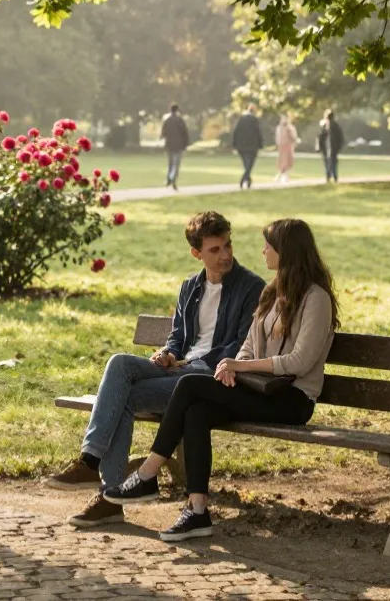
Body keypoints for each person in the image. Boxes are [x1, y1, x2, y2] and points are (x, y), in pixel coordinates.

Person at [104, 218, 338, 542]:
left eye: (268, 245)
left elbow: (299, 362)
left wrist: (240, 367)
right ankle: (197, 510)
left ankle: (147, 474)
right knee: (196, 411)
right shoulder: (273, 292)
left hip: (292, 400)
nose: (262, 250)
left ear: (286, 251)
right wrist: (235, 365)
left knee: (189, 386)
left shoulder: (316, 299)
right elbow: (247, 346)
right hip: (259, 390)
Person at [46, 211, 264, 529]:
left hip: (207, 379)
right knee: (119, 363)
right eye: (215, 250)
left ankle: (107, 496)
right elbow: (178, 337)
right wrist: (168, 353)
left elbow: (240, 347)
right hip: (178, 371)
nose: (225, 255)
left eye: (228, 246)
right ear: (197, 253)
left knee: (125, 396)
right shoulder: (190, 287)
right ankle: (90, 460)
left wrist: (186, 364)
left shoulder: (251, 288)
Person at [231, 104, 264, 189]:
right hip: (252, 146)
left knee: (246, 164)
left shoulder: (241, 120)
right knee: (249, 165)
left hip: (241, 146)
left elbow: (236, 132)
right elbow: (258, 133)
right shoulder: (254, 120)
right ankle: (244, 179)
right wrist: (261, 145)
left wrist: (234, 144)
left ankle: (248, 180)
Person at [160, 104, 190, 190]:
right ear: (177, 110)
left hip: (169, 145)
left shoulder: (167, 121)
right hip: (179, 145)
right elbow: (185, 133)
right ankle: (173, 180)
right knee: (176, 164)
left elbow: (163, 133)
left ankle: (169, 178)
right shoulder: (180, 120)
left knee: (170, 164)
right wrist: (186, 144)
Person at [318, 109, 345, 183]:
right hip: (329, 148)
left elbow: (320, 137)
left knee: (329, 162)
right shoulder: (330, 126)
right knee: (332, 162)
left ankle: (330, 177)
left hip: (330, 147)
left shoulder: (328, 126)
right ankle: (332, 177)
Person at [275, 114, 298, 183]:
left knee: (285, 160)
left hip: (286, 146)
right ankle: (283, 175)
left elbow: (293, 137)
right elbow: (293, 137)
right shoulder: (283, 128)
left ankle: (282, 175)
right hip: (285, 146)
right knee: (284, 161)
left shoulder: (286, 128)